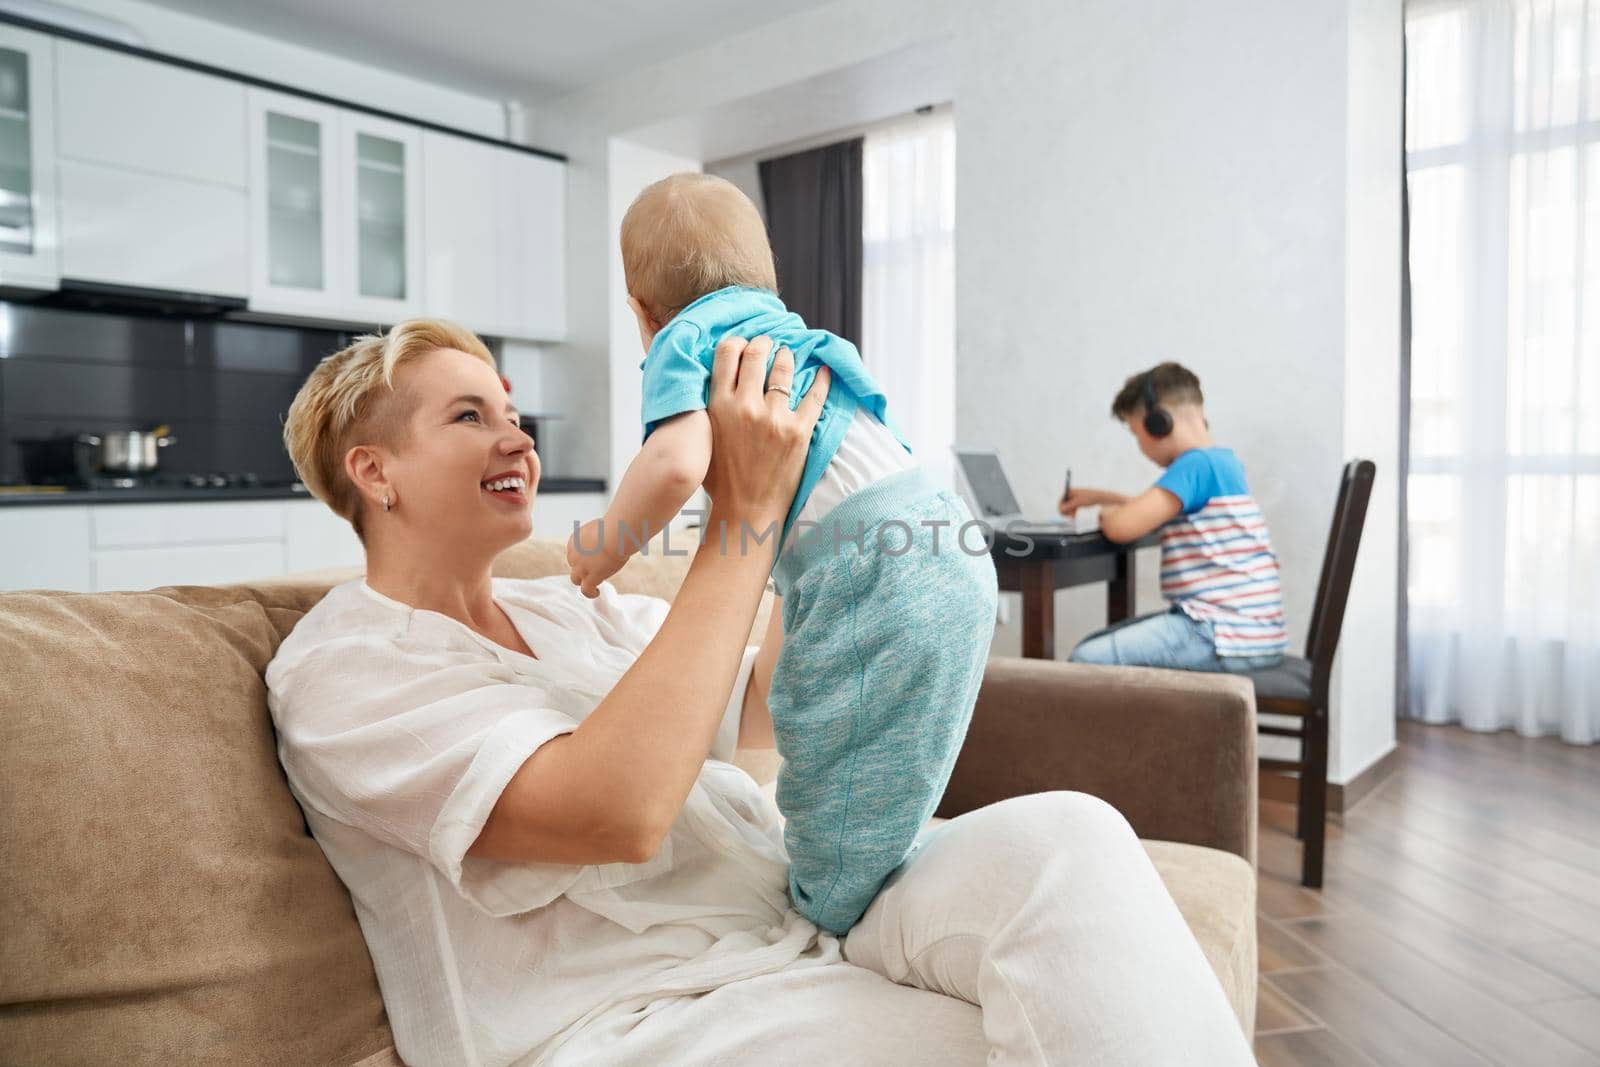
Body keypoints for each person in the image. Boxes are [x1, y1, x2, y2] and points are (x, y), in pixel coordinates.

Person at [266, 318, 1255, 1065]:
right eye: (469, 415)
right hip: (636, 1018)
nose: (517, 438)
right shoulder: (344, 667)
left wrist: (827, 503)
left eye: (514, 413)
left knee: (1069, 836)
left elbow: (765, 708)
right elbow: (614, 810)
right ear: (374, 471)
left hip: (800, 918)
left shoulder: (575, 606)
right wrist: (739, 513)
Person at [565, 172, 998, 935]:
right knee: (894, 761)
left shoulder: (686, 342)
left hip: (870, 567)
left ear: (640, 310)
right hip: (946, 534)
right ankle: (892, 883)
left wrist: (604, 544)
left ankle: (827, 914)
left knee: (841, 759)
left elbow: (672, 465)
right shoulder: (792, 332)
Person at [1060, 362, 1287, 673]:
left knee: (1086, 659)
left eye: (1136, 433)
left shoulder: (1194, 466)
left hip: (1218, 631)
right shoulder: (1220, 462)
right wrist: (1100, 496)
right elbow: (1159, 511)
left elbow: (1121, 527)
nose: (1140, 446)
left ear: (1158, 422)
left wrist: (1106, 512)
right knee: (1107, 639)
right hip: (1252, 632)